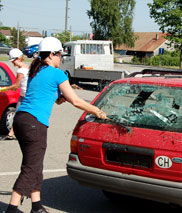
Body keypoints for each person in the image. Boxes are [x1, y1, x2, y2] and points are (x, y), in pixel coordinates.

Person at [5, 37, 107, 213]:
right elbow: (75, 100)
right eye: (60, 55)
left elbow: (55, 98)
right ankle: (12, 208)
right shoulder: (56, 73)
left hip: (22, 120)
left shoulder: (35, 71)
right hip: (34, 124)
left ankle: (36, 206)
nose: (61, 58)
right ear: (52, 54)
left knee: (35, 164)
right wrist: (96, 111)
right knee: (30, 167)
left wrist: (60, 96)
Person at [0, 48, 29, 140]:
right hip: (26, 95)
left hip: (24, 96)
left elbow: (15, 86)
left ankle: (18, 134)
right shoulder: (28, 68)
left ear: (19, 58)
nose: (13, 63)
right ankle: (11, 133)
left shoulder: (20, 71)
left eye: (14, 61)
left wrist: (2, 89)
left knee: (20, 116)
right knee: (19, 115)